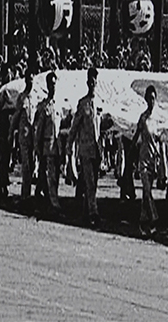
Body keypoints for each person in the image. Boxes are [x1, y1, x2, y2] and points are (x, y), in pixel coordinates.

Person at [68, 67, 102, 226]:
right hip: (85, 149)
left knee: (93, 184)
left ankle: (85, 213)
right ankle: (94, 214)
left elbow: (101, 126)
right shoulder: (83, 104)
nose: (92, 84)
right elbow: (75, 126)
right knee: (89, 182)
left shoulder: (99, 103)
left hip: (97, 150)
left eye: (94, 81)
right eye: (90, 81)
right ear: (87, 83)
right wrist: (69, 145)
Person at [131, 85, 161, 236]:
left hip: (153, 159)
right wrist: (131, 152)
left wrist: (159, 157)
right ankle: (154, 217)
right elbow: (136, 135)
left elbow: (158, 140)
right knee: (147, 189)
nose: (151, 101)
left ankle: (143, 223)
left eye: (153, 98)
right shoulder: (143, 118)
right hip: (143, 159)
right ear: (146, 99)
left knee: (146, 192)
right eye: (149, 98)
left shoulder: (157, 120)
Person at [33, 70, 63, 215]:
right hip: (47, 146)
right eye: (51, 84)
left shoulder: (58, 105)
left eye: (55, 84)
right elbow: (39, 130)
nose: (53, 87)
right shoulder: (44, 107)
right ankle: (54, 204)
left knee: (54, 177)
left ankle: (43, 200)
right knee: (50, 176)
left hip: (57, 147)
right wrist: (37, 149)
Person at [9, 69, 37, 207]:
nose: (30, 82)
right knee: (25, 165)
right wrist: (11, 132)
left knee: (32, 165)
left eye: (32, 79)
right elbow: (16, 116)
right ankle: (25, 195)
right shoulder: (22, 98)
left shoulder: (35, 97)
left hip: (33, 136)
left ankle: (29, 193)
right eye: (28, 79)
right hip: (24, 135)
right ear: (25, 80)